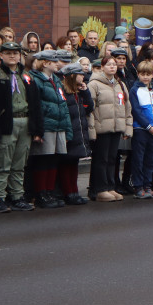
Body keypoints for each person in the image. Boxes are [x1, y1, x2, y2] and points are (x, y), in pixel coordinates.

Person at [0, 42, 44, 212]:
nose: (12, 56)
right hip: (5, 123)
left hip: (24, 122)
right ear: (1, 55)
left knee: (19, 163)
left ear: (20, 55)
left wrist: (37, 129)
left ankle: (17, 196)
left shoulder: (26, 76)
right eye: (8, 53)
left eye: (15, 53)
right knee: (2, 163)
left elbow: (35, 104)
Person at [27, 50, 72, 209]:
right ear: (45, 63)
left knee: (53, 159)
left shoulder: (56, 81)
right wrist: (37, 130)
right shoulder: (36, 80)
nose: (57, 64)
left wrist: (67, 129)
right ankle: (40, 193)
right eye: (53, 62)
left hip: (58, 125)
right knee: (43, 159)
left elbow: (63, 104)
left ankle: (49, 191)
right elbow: (36, 106)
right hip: (46, 125)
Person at [88, 55, 131, 202]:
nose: (112, 67)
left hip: (116, 127)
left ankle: (111, 186)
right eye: (109, 64)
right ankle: (100, 189)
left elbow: (127, 108)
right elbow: (90, 109)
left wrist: (127, 128)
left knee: (112, 158)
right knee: (102, 159)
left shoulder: (120, 84)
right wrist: (92, 129)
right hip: (102, 128)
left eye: (114, 64)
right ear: (102, 67)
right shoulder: (94, 84)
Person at [128, 61, 153, 200]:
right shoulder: (134, 90)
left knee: (151, 160)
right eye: (143, 74)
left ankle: (147, 185)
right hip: (141, 129)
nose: (145, 77)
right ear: (138, 75)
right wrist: (149, 127)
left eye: (148, 74)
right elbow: (136, 111)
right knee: (139, 159)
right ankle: (138, 186)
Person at [58, 62, 92, 205]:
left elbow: (89, 107)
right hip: (69, 132)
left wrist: (85, 92)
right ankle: (68, 192)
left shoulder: (78, 92)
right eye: (79, 74)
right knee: (67, 164)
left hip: (79, 131)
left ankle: (74, 191)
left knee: (74, 163)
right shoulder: (64, 92)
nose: (82, 76)